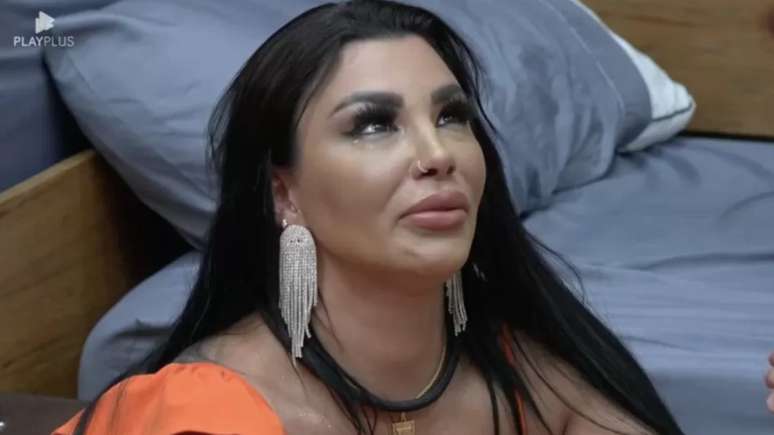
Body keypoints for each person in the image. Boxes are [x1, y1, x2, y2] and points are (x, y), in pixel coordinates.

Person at [54, 1, 692, 434]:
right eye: (372, 125)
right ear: (283, 194)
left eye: (452, 117)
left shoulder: (533, 373)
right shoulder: (210, 413)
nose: (437, 154)